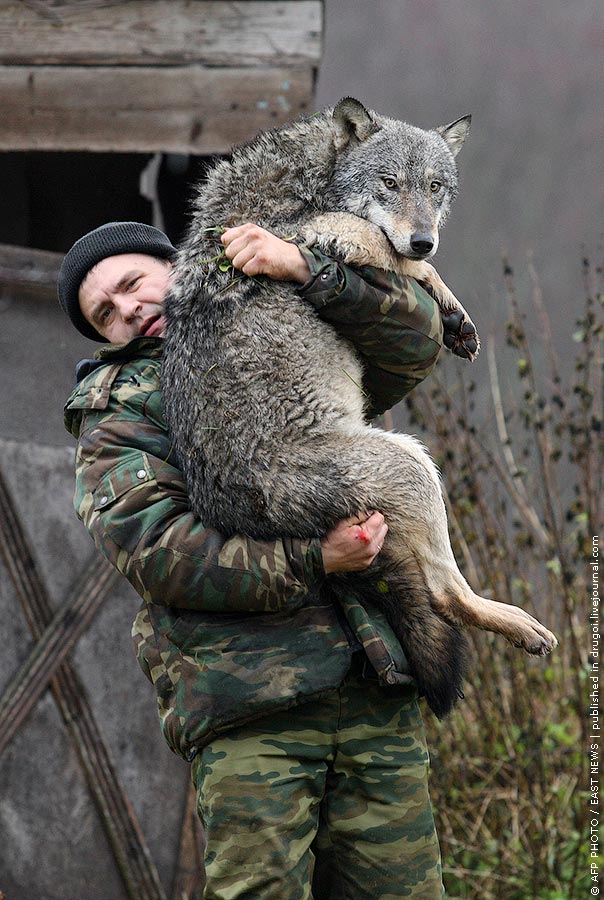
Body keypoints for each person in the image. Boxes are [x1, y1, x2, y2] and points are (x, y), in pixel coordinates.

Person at [60, 220, 446, 899]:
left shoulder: (277, 323)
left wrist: (308, 270)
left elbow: (414, 342)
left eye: (130, 285)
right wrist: (314, 560)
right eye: (105, 315)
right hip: (251, 709)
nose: (127, 311)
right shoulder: (117, 418)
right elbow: (160, 552)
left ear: (174, 267)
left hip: (374, 684)